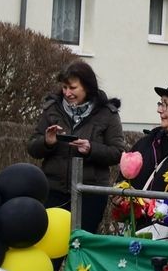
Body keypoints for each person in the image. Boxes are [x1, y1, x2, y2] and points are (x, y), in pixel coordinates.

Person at [27, 61, 125, 233]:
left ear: (87, 87)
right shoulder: (52, 109)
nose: (67, 93)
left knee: (80, 248)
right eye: (64, 87)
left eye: (72, 88)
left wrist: (91, 149)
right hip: (53, 190)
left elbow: (118, 152)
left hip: (89, 194)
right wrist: (47, 142)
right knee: (51, 244)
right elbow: (32, 147)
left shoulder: (107, 113)